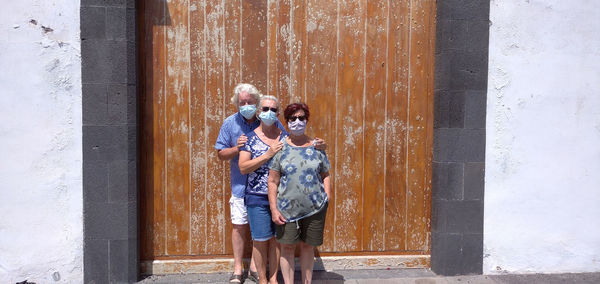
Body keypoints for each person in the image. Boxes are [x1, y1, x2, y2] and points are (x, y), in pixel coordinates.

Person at [267, 103, 331, 284]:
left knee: (308, 247)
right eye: (293, 119)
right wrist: (274, 209)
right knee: (286, 247)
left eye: (301, 118)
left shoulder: (318, 147)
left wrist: (327, 196)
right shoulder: (280, 149)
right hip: (286, 209)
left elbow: (325, 174)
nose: (297, 122)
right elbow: (272, 181)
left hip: (315, 207)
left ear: (306, 120)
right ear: (286, 122)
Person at [215, 83, 264, 283]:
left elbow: (283, 142)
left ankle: (254, 266)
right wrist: (237, 148)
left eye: (249, 102)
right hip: (240, 186)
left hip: (261, 187)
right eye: (242, 102)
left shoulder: (267, 121)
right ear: (237, 103)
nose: (245, 105)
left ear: (256, 103)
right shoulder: (230, 123)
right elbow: (220, 154)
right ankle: (237, 269)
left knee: (259, 228)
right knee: (239, 226)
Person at [238, 95, 287, 284]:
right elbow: (243, 167)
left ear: (278, 113)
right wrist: (267, 155)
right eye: (265, 109)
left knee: (276, 240)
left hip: (281, 197)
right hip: (256, 197)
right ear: (259, 112)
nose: (269, 113)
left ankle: (274, 279)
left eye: (273, 110)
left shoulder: (285, 138)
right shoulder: (249, 139)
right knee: (260, 240)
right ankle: (262, 280)